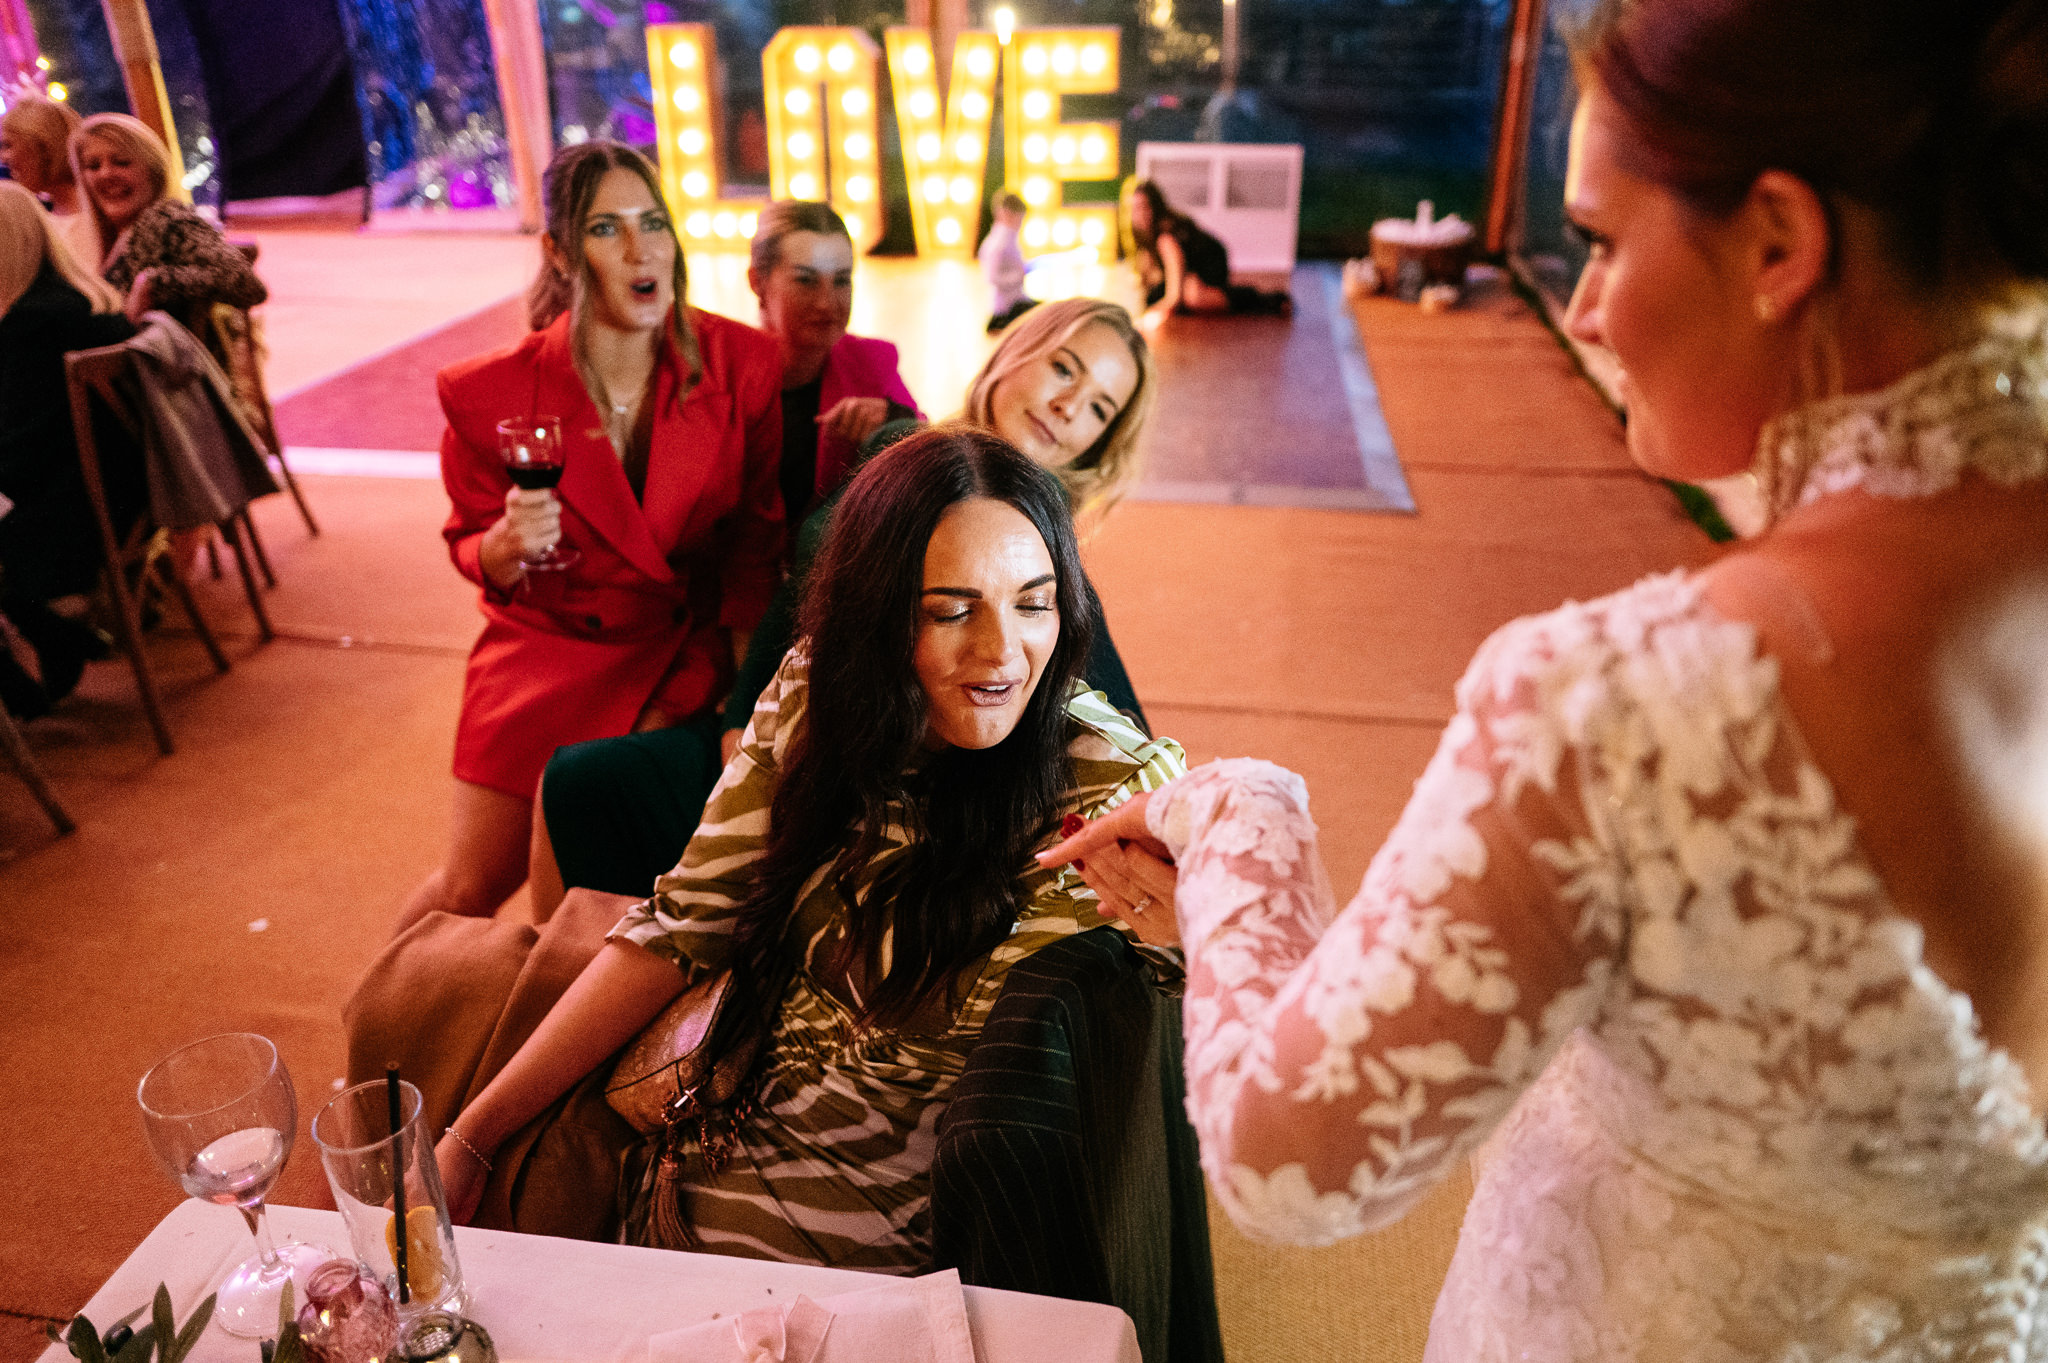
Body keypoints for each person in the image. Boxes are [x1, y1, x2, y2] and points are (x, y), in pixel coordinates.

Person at [1045, 0, 2048, 1357]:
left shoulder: (1638, 703)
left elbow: (1293, 1160)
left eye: (1598, 238)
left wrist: (1235, 816)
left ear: (1777, 243)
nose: (1578, 303)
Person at [434, 428, 1186, 1268]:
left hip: (923, 1257)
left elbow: (1257, 1026)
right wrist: (474, 1133)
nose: (1001, 652)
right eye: (951, 609)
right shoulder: (818, 692)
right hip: (700, 1170)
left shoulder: (1115, 784)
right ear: (876, 609)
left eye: (1033, 602)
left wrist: (1214, 901)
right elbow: (682, 926)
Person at [530, 297, 1156, 911]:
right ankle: (553, 973)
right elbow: (802, 591)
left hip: (874, 781)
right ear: (1017, 352)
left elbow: (1105, 707)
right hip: (777, 721)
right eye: (1065, 367)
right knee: (578, 783)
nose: (1068, 407)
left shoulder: (1038, 547)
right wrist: (740, 730)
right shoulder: (897, 442)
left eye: (1100, 408)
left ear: (1098, 445)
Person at [393, 140, 783, 934]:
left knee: (583, 895)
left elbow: (753, 547)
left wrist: (750, 707)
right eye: (607, 228)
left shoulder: (741, 364)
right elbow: (469, 540)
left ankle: (541, 1024)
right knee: (468, 886)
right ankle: (380, 1024)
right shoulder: (486, 392)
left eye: (654, 224)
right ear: (562, 252)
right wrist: (499, 548)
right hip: (545, 646)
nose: (641, 251)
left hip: (674, 651)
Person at [0, 181, 133, 717]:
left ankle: (23, 687)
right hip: (117, 487)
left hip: (63, 505)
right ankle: (50, 639)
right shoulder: (88, 301)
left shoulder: (30, 323)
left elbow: (22, 445)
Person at [746, 199, 921, 524]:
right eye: (805, 280)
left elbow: (934, 459)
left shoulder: (871, 364)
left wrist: (897, 423)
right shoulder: (721, 372)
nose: (826, 303)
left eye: (841, 280)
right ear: (758, 282)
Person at [69, 114, 264, 322]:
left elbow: (245, 283)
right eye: (93, 166)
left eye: (121, 162)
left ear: (154, 172)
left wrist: (153, 282)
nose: (106, 174)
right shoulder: (96, 235)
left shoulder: (168, 220)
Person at [1125, 178, 1291, 329]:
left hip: (1210, 263)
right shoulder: (1144, 237)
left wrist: (1145, 318)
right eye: (1134, 209)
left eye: (1144, 207)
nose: (1139, 215)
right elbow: (1145, 279)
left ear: (1155, 207)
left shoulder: (1166, 238)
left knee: (1193, 296)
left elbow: (1173, 298)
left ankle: (1264, 300)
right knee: (1164, 294)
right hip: (1192, 265)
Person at [0, 92, 92, 264]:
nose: (3, 158)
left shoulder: (94, 221)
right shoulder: (46, 222)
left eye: (7, 145)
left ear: (43, 146)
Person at [979, 189, 1034, 333]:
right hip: (1006, 308)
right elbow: (991, 277)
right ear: (1006, 214)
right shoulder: (999, 243)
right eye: (1019, 219)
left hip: (1016, 300)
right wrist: (1018, 276)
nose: (1020, 224)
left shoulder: (1008, 239)